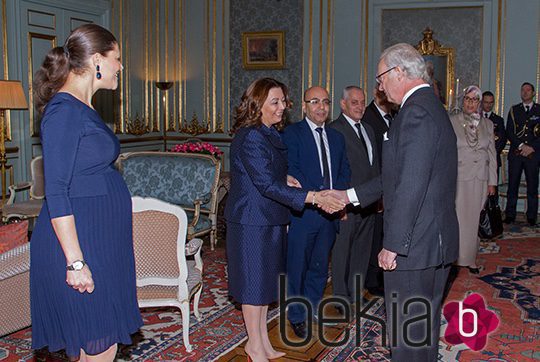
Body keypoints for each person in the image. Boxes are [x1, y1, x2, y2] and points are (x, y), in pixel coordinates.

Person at [332, 43, 459, 360]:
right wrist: (347, 196)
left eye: (381, 77)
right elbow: (396, 176)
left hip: (414, 247)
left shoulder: (415, 113)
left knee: (406, 336)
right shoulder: (430, 107)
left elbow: (410, 185)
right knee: (420, 332)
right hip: (432, 242)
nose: (379, 86)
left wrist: (393, 245)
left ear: (399, 72)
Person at [30, 24, 142, 361]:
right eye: (117, 58)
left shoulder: (82, 107)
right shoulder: (63, 110)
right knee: (99, 343)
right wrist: (76, 262)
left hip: (100, 241)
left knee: (98, 343)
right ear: (97, 60)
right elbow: (58, 190)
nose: (121, 66)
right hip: (80, 245)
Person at [225, 78, 345, 361]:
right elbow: (265, 184)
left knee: (266, 285)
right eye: (275, 102)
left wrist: (286, 179)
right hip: (251, 222)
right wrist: (313, 197)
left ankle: (262, 340)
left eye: (283, 101)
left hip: (270, 219)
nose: (282, 108)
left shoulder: (268, 133)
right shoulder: (251, 135)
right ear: (258, 105)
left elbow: (269, 176)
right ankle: (254, 345)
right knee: (253, 287)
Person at [282, 86, 351, 338]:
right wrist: (319, 199)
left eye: (325, 102)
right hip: (304, 214)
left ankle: (310, 306)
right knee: (297, 267)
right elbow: (294, 171)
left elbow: (344, 171)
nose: (321, 107)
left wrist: (337, 199)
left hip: (330, 215)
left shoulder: (337, 138)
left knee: (320, 267)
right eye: (314, 102)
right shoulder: (291, 134)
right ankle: (296, 315)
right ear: (304, 106)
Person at [328, 86, 379, 307]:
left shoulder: (368, 129)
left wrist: (378, 197)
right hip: (345, 205)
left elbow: (374, 167)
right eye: (354, 102)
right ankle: (340, 299)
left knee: (362, 251)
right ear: (343, 104)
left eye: (362, 102)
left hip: (368, 203)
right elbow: (332, 170)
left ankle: (355, 294)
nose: (359, 107)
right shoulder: (334, 130)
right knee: (342, 254)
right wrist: (337, 205)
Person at [450, 86, 497, 274]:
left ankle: (471, 259)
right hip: (460, 178)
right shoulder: (453, 121)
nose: (471, 103)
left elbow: (492, 155)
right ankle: (456, 258)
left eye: (474, 99)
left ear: (479, 103)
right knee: (460, 219)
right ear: (463, 101)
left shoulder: (488, 124)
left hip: (481, 178)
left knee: (476, 218)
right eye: (467, 99)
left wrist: (492, 181)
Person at [361, 86, 397, 297]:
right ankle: (372, 279)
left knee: (385, 233)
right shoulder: (367, 117)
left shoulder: (394, 117)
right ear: (376, 95)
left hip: (390, 185)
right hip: (376, 186)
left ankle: (381, 275)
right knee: (374, 235)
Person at [504, 82, 540, 226]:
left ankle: (531, 216)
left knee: (532, 186)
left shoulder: (539, 110)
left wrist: (531, 147)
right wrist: (521, 145)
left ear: (533, 93)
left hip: (533, 154)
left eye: (528, 90)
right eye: (523, 90)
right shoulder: (514, 110)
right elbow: (509, 131)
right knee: (512, 186)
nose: (525, 92)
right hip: (516, 154)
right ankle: (510, 215)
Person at [481, 90, 507, 201]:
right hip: (478, 159)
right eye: (486, 102)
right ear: (482, 102)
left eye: (491, 102)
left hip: (493, 160)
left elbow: (502, 140)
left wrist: (491, 152)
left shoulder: (498, 120)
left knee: (492, 189)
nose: (488, 105)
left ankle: (492, 215)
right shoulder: (475, 119)